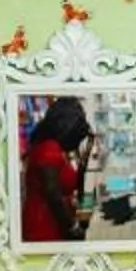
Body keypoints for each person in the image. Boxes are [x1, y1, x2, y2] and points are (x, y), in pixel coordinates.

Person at [22, 95, 94, 242]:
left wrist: (83, 160)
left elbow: (75, 188)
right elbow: (52, 193)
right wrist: (72, 227)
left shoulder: (54, 148)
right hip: (44, 226)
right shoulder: (49, 149)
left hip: (55, 224)